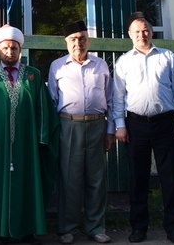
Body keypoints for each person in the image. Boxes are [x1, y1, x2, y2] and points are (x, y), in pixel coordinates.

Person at [0, 24, 60, 245]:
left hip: (28, 144)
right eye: (5, 48)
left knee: (27, 184)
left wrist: (42, 136)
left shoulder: (33, 75)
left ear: (20, 50)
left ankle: (27, 230)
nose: (10, 52)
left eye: (14, 48)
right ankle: (1, 232)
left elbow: (43, 108)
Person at [112, 15, 174, 244]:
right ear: (130, 34)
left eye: (145, 29)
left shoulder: (168, 57)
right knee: (138, 179)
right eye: (137, 31)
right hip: (134, 126)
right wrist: (120, 125)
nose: (142, 34)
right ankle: (138, 228)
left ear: (151, 31)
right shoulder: (123, 62)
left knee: (170, 178)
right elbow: (117, 97)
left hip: (166, 124)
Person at [47, 20, 115, 244]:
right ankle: (67, 228)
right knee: (70, 178)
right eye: (73, 39)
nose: (78, 43)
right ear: (66, 42)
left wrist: (110, 131)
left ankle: (96, 227)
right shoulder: (57, 66)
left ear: (89, 40)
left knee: (97, 179)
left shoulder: (101, 65)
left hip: (97, 125)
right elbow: (52, 100)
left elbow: (110, 99)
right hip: (69, 126)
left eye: (82, 38)